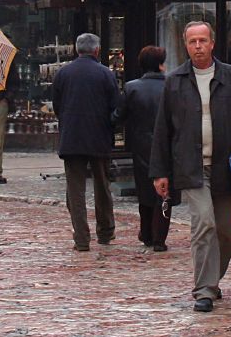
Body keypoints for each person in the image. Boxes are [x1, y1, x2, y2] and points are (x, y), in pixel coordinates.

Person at [150, 20, 231, 313]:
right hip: (191, 166)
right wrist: (160, 171)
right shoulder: (175, 82)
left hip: (226, 167)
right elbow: (163, 130)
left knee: (225, 231)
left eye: (203, 40)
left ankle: (213, 279)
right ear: (185, 45)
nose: (198, 46)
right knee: (204, 224)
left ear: (212, 43)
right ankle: (204, 289)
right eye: (192, 42)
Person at [52, 33, 120, 251]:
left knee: (75, 189)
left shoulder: (63, 73)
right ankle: (105, 231)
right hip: (99, 136)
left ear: (76, 49)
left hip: (72, 137)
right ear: (97, 50)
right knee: (102, 185)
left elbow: (57, 105)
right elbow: (115, 105)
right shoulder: (105, 74)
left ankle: (81, 238)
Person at [118, 45, 170, 251]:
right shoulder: (171, 85)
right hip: (166, 143)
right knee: (164, 190)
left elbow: (119, 115)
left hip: (140, 144)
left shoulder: (132, 87)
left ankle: (147, 232)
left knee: (145, 189)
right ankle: (159, 237)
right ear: (160, 64)